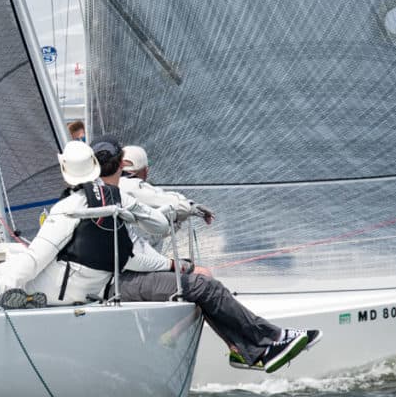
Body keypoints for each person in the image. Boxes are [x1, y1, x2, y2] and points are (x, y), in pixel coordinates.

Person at [115, 144, 320, 373]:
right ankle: (266, 339)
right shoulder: (132, 186)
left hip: (133, 270)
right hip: (131, 273)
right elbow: (166, 202)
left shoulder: (112, 190)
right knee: (203, 282)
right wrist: (192, 207)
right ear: (145, 170)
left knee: (202, 281)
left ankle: (240, 347)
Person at [0, 137, 171, 306]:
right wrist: (171, 265)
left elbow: (37, 258)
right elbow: (160, 226)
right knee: (18, 261)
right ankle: (16, 294)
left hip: (61, 291)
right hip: (96, 288)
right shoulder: (119, 198)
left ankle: (5, 295)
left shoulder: (67, 208)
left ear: (64, 168)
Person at [119, 144, 213, 251]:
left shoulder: (102, 186)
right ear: (145, 171)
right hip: (135, 258)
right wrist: (191, 207)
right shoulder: (135, 188)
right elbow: (180, 206)